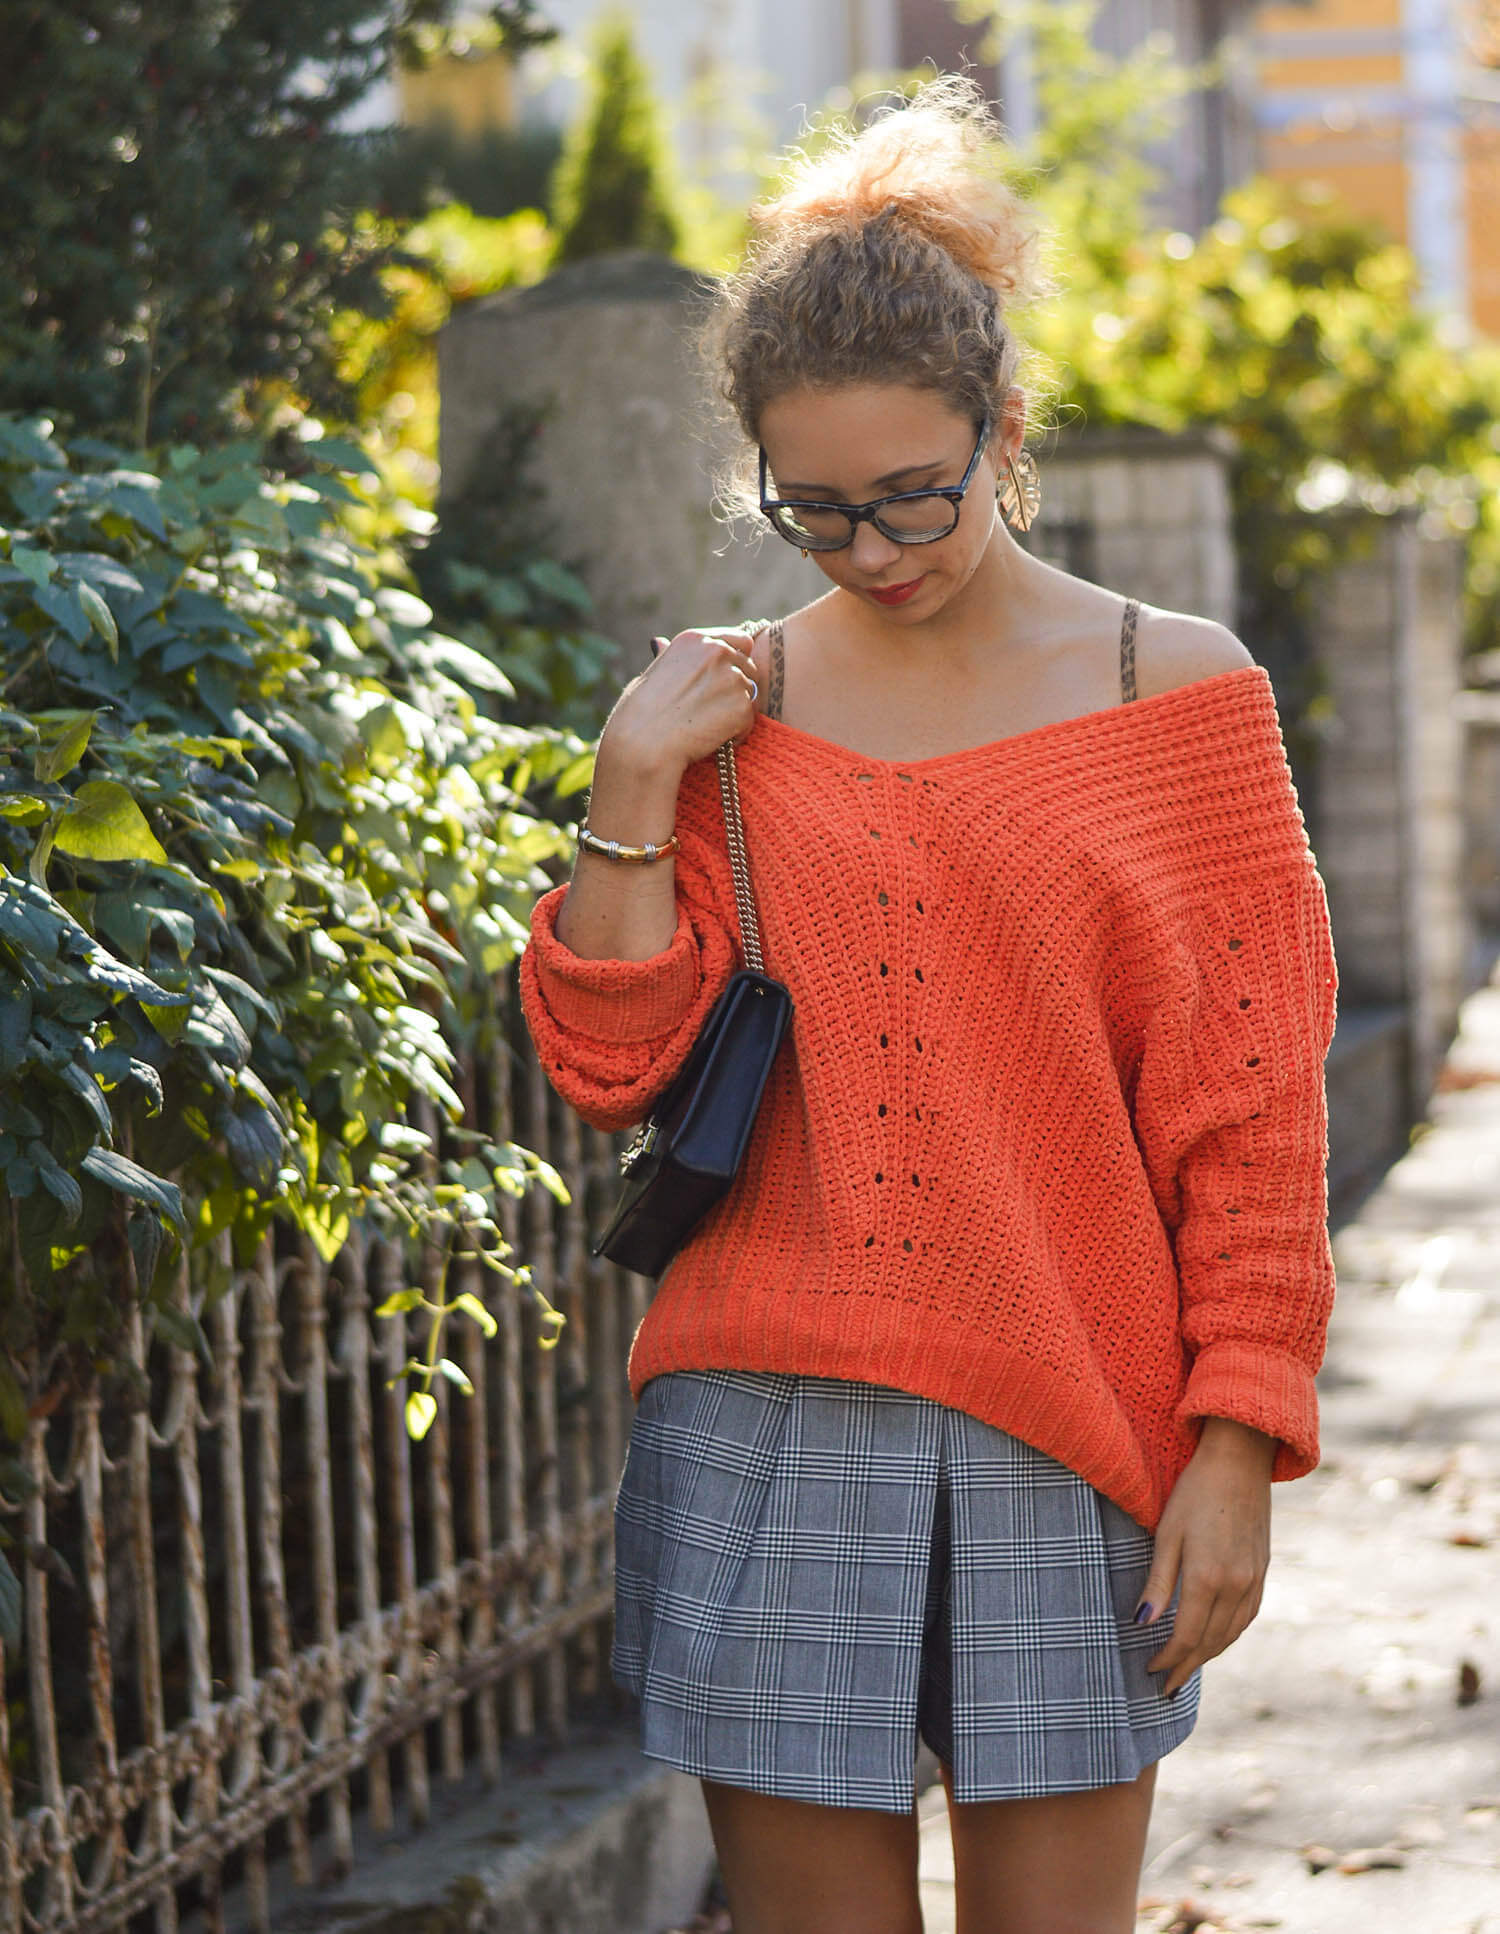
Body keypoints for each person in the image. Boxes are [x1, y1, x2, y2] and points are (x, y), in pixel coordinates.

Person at [519, 75, 1339, 1934]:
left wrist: (1240, 1441)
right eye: (816, 513)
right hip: (766, 1418)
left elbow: (1256, 1117)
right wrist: (632, 789)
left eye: (913, 495)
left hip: (1080, 1425)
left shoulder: (1176, 697)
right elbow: (609, 1058)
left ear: (1004, 426)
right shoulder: (733, 713)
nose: (875, 553)